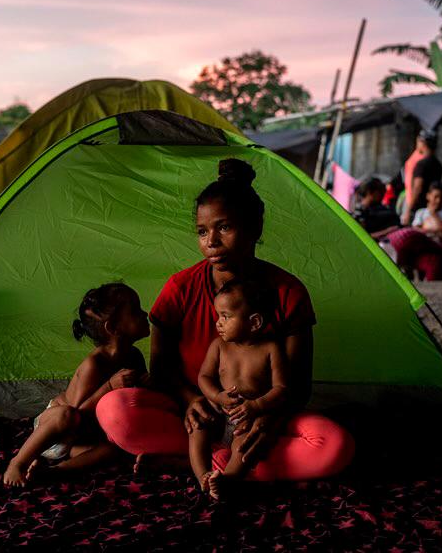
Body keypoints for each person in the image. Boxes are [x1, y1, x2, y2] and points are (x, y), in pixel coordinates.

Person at [96, 158, 355, 483]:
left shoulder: (288, 292)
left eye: (225, 227)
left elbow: (297, 386)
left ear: (255, 228)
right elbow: (162, 371)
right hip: (194, 416)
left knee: (334, 446)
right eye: (202, 231)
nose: (211, 241)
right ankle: (231, 466)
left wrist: (269, 418)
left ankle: (196, 465)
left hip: (258, 416)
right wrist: (192, 402)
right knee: (114, 410)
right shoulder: (181, 287)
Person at [2, 283, 150, 487]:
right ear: (113, 328)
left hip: (80, 440)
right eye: (136, 311)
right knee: (66, 414)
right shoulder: (95, 364)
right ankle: (18, 462)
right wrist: (109, 386)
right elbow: (79, 414)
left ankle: (55, 472)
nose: (146, 314)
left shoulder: (134, 356)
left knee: (116, 449)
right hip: (56, 432)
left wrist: (145, 384)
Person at [191, 279, 288, 499]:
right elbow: (204, 377)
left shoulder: (271, 349)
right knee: (197, 427)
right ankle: (203, 475)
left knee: (244, 442)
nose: (218, 323)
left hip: (248, 417)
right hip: (221, 411)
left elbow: (282, 388)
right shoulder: (218, 346)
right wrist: (217, 396)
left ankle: (229, 479)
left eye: (225, 316)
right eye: (218, 316)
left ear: (254, 322)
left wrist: (256, 405)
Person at [402, 130, 442, 226]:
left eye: (418, 141)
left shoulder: (421, 164)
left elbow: (417, 188)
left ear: (422, 143)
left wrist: (408, 210)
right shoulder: (438, 165)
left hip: (417, 208)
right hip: (430, 208)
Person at [412, 181, 442, 246]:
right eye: (436, 197)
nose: (438, 201)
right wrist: (434, 231)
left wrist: (433, 214)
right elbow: (415, 230)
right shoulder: (420, 212)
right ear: (428, 196)